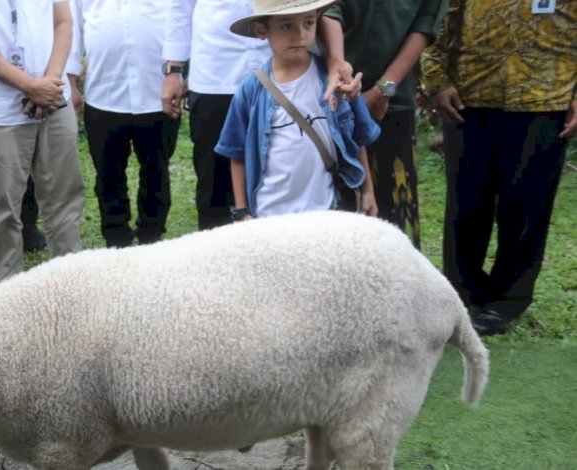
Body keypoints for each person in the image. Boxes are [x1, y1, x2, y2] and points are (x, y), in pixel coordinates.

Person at [421, 0, 575, 336]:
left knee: (526, 205)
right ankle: (462, 291)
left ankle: (507, 300)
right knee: (467, 203)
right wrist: (435, 78)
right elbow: (437, 19)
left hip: (545, 98)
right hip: (468, 96)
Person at [0, 0, 87, 281]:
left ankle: (71, 279)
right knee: (5, 204)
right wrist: (31, 86)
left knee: (65, 195)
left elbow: (63, 22)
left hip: (53, 100)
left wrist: (51, 81)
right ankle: (7, 284)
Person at [215, 0, 381, 220]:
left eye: (309, 23)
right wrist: (243, 211)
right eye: (286, 26)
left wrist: (368, 191)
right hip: (269, 214)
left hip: (323, 211)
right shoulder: (250, 90)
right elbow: (236, 154)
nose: (300, 35)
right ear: (261, 29)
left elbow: (358, 137)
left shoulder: (336, 83)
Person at [320, 0, 449, 248]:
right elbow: (328, 8)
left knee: (394, 225)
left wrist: (384, 90)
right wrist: (337, 66)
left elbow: (425, 24)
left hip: (392, 99)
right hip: (328, 93)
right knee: (332, 222)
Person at [70, 0, 178, 247]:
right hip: (104, 93)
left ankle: (152, 236)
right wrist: (71, 81)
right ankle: (116, 238)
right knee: (108, 174)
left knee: (156, 170)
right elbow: (73, 28)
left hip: (156, 92)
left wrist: (178, 72)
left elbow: (179, 22)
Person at [161, 0, 271, 230]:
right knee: (213, 180)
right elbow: (180, 7)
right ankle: (214, 253)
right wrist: (174, 70)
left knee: (274, 170)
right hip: (214, 72)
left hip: (274, 70)